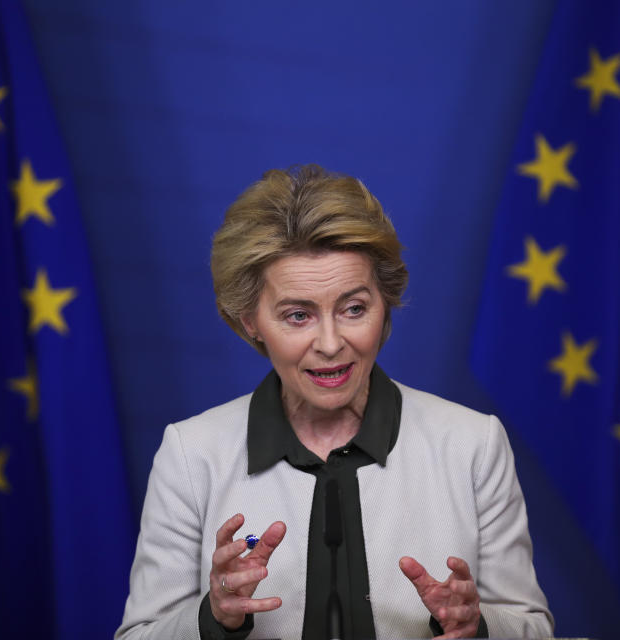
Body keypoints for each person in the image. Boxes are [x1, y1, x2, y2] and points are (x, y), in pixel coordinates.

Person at [115, 165, 553, 639]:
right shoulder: (191, 454)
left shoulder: (473, 444)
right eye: (298, 315)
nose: (330, 343)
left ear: (384, 304)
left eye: (353, 309)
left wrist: (479, 625)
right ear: (250, 322)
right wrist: (213, 617)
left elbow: (534, 628)